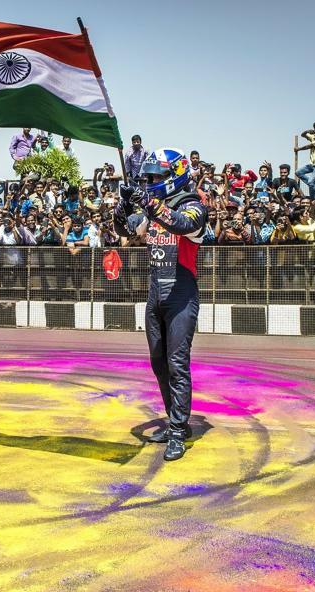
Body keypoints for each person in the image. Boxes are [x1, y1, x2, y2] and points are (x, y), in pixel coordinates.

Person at [114, 148, 208, 462]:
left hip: (181, 295)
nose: (151, 181)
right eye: (149, 177)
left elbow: (181, 224)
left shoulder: (193, 206)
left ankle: (179, 432)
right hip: (155, 294)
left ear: (175, 175)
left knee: (177, 364)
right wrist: (124, 204)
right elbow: (125, 230)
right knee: (158, 363)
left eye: (157, 177)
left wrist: (147, 202)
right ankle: (173, 420)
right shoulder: (154, 210)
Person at [295, 121, 315, 200]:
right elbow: (302, 135)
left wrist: (298, 149)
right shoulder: (313, 136)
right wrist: (307, 131)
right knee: (298, 172)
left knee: (310, 182)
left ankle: (312, 199)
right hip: (312, 164)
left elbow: (309, 146)